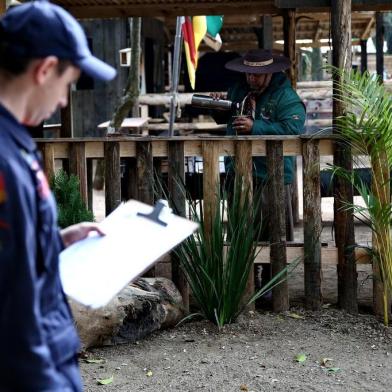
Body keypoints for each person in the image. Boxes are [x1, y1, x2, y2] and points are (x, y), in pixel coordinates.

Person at [0, 1, 116, 390]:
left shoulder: (14, 139)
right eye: (67, 83)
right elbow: (13, 303)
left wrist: (55, 241)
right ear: (45, 69)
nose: (65, 100)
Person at [211, 49, 306, 290]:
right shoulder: (238, 90)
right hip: (239, 171)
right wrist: (217, 107)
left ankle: (273, 288)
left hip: (271, 175)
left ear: (270, 73)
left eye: (257, 75)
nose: (251, 78)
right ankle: (246, 283)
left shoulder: (286, 97)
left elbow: (292, 129)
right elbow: (226, 117)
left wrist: (256, 126)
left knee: (272, 232)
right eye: (249, 74)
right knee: (241, 230)